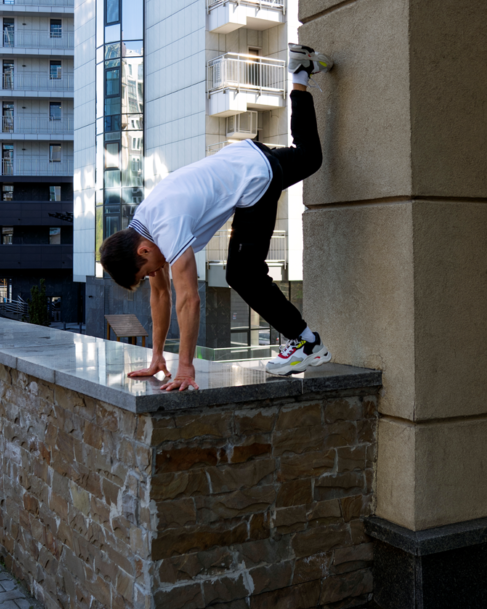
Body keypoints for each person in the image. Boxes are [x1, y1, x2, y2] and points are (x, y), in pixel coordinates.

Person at [99, 45, 334, 391]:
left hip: (254, 181)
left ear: (143, 251)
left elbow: (188, 299)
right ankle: (300, 74)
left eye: (148, 271)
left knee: (242, 273)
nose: (154, 275)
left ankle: (307, 343)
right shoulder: (145, 224)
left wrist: (185, 369)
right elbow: (161, 296)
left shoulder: (167, 227)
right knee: (309, 158)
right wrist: (157, 356)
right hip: (245, 155)